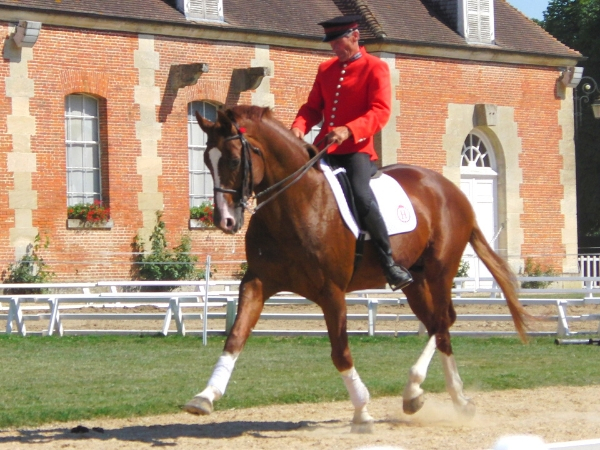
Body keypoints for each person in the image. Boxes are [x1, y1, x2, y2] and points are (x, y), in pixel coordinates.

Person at [291, 15, 412, 291]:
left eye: (338, 42)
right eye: (331, 43)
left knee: (361, 195)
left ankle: (388, 262)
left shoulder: (376, 67)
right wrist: (298, 127)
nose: (334, 48)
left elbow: (380, 111)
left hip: (357, 150)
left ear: (355, 36)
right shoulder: (326, 69)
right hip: (325, 148)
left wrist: (349, 129)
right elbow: (311, 108)